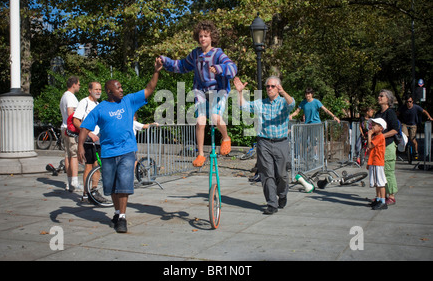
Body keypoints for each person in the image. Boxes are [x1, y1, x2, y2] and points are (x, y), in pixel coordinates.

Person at [77, 58, 162, 233]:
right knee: (112, 186)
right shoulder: (100, 109)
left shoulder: (129, 101)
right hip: (108, 152)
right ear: (109, 91)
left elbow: (149, 89)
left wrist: (156, 71)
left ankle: (122, 217)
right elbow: (85, 127)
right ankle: (117, 212)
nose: (121, 89)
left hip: (127, 151)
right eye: (118, 87)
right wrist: (79, 147)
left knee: (123, 183)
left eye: (122, 86)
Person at [158, 20, 237, 167]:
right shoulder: (195, 54)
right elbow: (181, 66)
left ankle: (225, 138)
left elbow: (232, 68)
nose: (203, 39)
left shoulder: (218, 53)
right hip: (201, 90)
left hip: (218, 90)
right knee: (200, 122)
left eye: (206, 36)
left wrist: (220, 69)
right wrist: (166, 61)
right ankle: (200, 154)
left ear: (211, 37)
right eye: (200, 36)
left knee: (215, 117)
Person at [234, 76, 295, 215]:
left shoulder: (283, 102)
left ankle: (283, 194)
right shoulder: (261, 103)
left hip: (281, 143)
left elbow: (292, 104)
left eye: (272, 86)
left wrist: (284, 92)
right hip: (264, 142)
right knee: (267, 174)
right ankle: (271, 204)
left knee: (282, 175)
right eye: (267, 86)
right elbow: (243, 106)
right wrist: (239, 92)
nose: (269, 88)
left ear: (278, 88)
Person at [72, 81, 107, 204]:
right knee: (89, 166)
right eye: (96, 89)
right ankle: (86, 194)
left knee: (97, 166)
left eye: (100, 89)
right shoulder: (84, 102)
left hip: (98, 140)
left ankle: (94, 191)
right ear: (89, 90)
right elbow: (76, 120)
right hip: (87, 140)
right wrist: (88, 133)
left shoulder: (98, 104)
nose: (98, 91)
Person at [374, 89, 399, 206]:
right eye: (379, 96)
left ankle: (391, 196)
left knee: (388, 171)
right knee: (379, 172)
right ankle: (381, 196)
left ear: (387, 99)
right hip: (378, 148)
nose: (379, 98)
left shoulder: (390, 113)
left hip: (388, 146)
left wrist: (382, 136)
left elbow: (395, 129)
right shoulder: (378, 114)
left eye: (381, 96)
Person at [59, 76, 81, 192]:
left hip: (65, 128)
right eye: (78, 84)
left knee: (68, 155)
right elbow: (70, 113)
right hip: (71, 129)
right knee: (74, 155)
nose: (79, 86)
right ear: (74, 84)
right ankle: (74, 181)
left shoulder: (64, 96)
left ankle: (69, 182)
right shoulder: (70, 97)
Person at [398, 94, 433, 158]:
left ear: (412, 101)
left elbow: (424, 111)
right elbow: (397, 113)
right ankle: (405, 150)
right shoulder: (403, 107)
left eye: (410, 101)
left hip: (413, 125)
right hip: (405, 124)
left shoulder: (416, 107)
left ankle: (416, 152)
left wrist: (429, 117)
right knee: (404, 137)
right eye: (407, 102)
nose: (408, 103)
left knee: (412, 139)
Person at [366, 118, 387, 210]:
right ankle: (378, 199)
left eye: (375, 125)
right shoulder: (376, 137)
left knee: (380, 183)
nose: (372, 127)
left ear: (381, 128)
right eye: (372, 125)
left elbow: (370, 145)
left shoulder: (380, 137)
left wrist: (369, 135)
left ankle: (383, 200)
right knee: (376, 183)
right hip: (374, 161)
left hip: (378, 162)